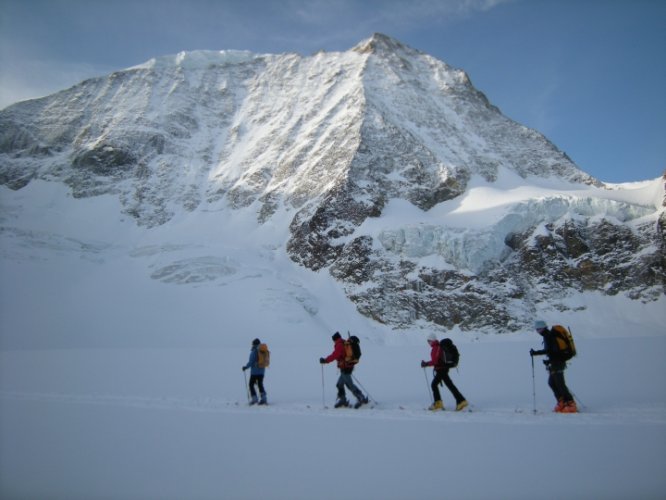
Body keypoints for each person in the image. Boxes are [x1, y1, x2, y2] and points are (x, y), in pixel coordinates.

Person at [530, 320, 577, 413]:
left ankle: (571, 404)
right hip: (555, 363)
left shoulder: (549, 336)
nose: (537, 331)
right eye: (536, 329)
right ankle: (562, 402)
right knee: (552, 383)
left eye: (538, 329)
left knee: (559, 384)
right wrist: (537, 353)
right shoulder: (548, 336)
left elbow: (553, 352)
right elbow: (549, 350)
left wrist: (549, 360)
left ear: (543, 328)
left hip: (557, 363)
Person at [319, 332, 368, 409]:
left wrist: (325, 360)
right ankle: (343, 400)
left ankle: (361, 398)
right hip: (347, 367)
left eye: (333, 340)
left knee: (349, 385)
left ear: (335, 339)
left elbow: (334, 355)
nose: (333, 342)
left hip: (346, 368)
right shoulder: (344, 342)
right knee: (339, 384)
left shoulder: (339, 345)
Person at [421, 333, 468, 411]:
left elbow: (435, 361)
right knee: (448, 385)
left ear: (432, 340)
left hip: (441, 370)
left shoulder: (436, 348)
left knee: (434, 385)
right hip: (443, 369)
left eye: (429, 341)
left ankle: (439, 403)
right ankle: (460, 401)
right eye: (428, 341)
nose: (428, 343)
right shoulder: (438, 347)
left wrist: (426, 364)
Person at [242, 338, 267, 405]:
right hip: (262, 371)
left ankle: (254, 399)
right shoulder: (263, 350)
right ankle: (264, 398)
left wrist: (245, 367)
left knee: (251, 385)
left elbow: (251, 362)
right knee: (260, 384)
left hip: (254, 372)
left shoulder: (254, 351)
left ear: (254, 344)